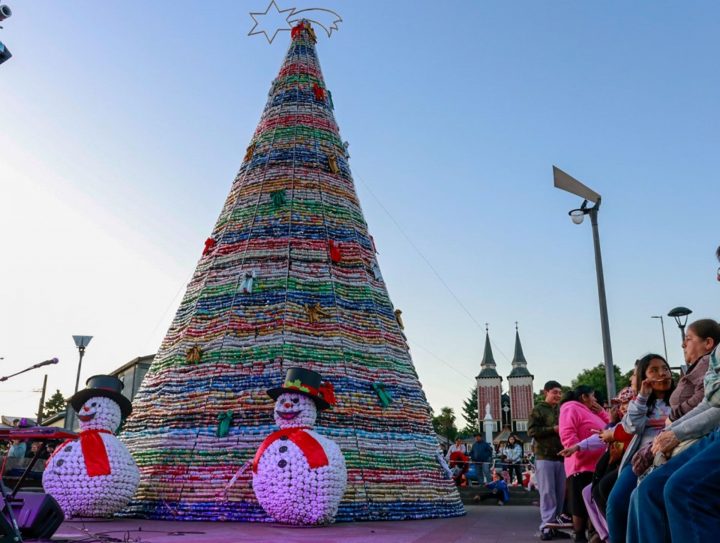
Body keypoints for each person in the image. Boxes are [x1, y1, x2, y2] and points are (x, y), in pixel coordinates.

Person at [626, 319, 720, 543]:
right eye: (653, 370)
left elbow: (709, 404)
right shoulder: (709, 361)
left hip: (699, 435)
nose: (682, 345)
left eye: (688, 339)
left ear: (708, 343)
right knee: (642, 492)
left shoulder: (704, 365)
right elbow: (630, 426)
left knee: (679, 490)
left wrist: (674, 432)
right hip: (681, 438)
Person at [605, 354, 674, 543]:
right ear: (644, 377)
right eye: (654, 370)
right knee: (616, 502)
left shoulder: (680, 397)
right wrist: (643, 397)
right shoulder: (640, 403)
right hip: (642, 460)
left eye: (665, 369)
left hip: (674, 456)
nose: (662, 374)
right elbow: (630, 427)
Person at [559, 385, 610, 542]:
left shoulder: (592, 412)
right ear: (584, 397)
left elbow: (611, 427)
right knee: (579, 504)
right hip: (581, 464)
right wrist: (576, 451)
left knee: (593, 502)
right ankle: (579, 535)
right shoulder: (570, 408)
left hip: (598, 464)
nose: (595, 399)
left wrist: (601, 411)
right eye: (593, 396)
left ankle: (593, 533)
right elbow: (567, 432)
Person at [528, 380, 566, 541]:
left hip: (562, 456)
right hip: (544, 456)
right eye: (554, 392)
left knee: (560, 493)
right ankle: (546, 526)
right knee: (547, 492)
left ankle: (556, 526)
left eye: (559, 392)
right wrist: (553, 429)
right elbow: (531, 431)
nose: (558, 395)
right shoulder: (538, 410)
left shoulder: (563, 409)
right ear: (546, 393)